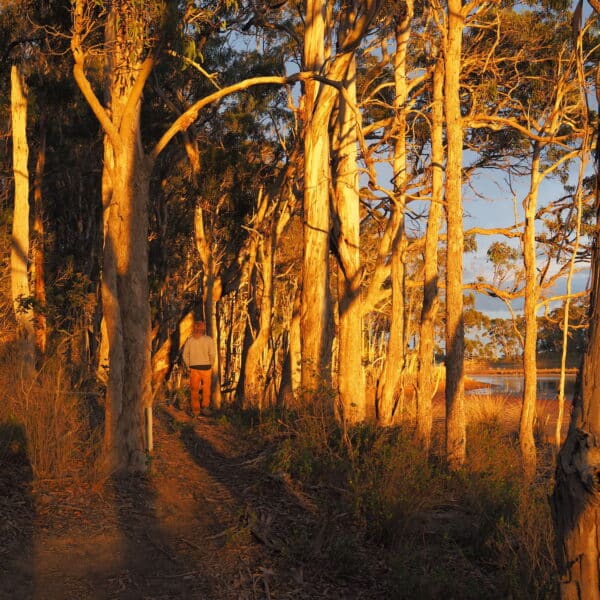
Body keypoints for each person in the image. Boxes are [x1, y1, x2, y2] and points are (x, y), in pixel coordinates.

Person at [182, 320, 216, 417]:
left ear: (194, 328)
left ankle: (195, 411)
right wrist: (211, 364)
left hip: (194, 368)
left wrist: (188, 365)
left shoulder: (190, 340)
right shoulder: (208, 340)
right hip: (206, 367)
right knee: (206, 388)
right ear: (203, 329)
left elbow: (185, 355)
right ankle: (205, 407)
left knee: (194, 390)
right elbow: (212, 354)